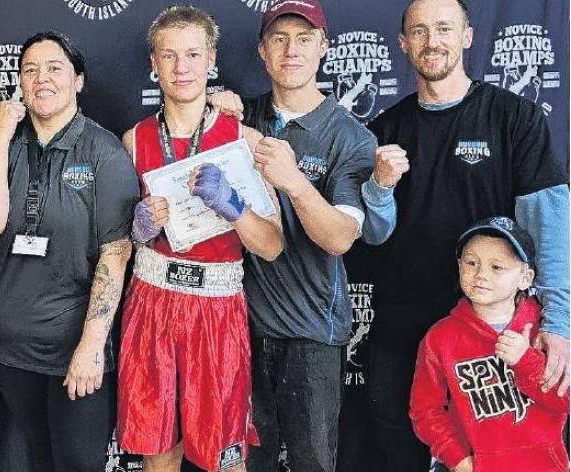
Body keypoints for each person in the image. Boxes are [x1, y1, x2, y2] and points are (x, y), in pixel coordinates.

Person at [363, 1, 570, 470]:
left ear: (468, 36)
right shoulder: (383, 130)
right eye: (418, 31)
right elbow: (371, 236)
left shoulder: (515, 118)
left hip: (492, 327)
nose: (431, 41)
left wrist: (559, 324)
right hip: (404, 321)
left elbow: (551, 228)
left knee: (497, 455)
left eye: (443, 28)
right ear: (402, 44)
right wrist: (377, 187)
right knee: (399, 443)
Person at [116, 7, 283, 472]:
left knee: (224, 456)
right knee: (158, 449)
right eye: (169, 56)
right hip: (152, 298)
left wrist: (233, 206)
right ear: (154, 62)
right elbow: (119, 239)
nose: (181, 68)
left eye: (192, 54)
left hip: (217, 306)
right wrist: (141, 227)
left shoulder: (242, 139)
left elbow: (271, 246)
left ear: (211, 58)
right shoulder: (134, 140)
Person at [0, 31, 139, 471]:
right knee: (39, 458)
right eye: (30, 70)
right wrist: (2, 132)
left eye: (55, 68)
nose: (42, 79)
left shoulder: (104, 151)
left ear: (78, 80)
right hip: (9, 347)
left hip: (72, 347)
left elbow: (115, 252)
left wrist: (92, 346)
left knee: (77, 463)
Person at [237, 1, 378, 470]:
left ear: (323, 47)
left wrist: (294, 181)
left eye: (303, 39)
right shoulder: (241, 118)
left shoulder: (350, 137)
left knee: (312, 463)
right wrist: (216, 112)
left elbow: (340, 237)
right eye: (279, 39)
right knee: (241, 462)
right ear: (262, 51)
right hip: (237, 326)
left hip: (310, 331)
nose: (290, 50)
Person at [410, 217, 569, 472]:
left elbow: (566, 400)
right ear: (459, 266)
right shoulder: (440, 337)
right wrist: (459, 460)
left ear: (525, 278)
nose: (481, 274)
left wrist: (526, 361)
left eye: (497, 267)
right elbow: (425, 410)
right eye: (472, 263)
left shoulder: (546, 333)